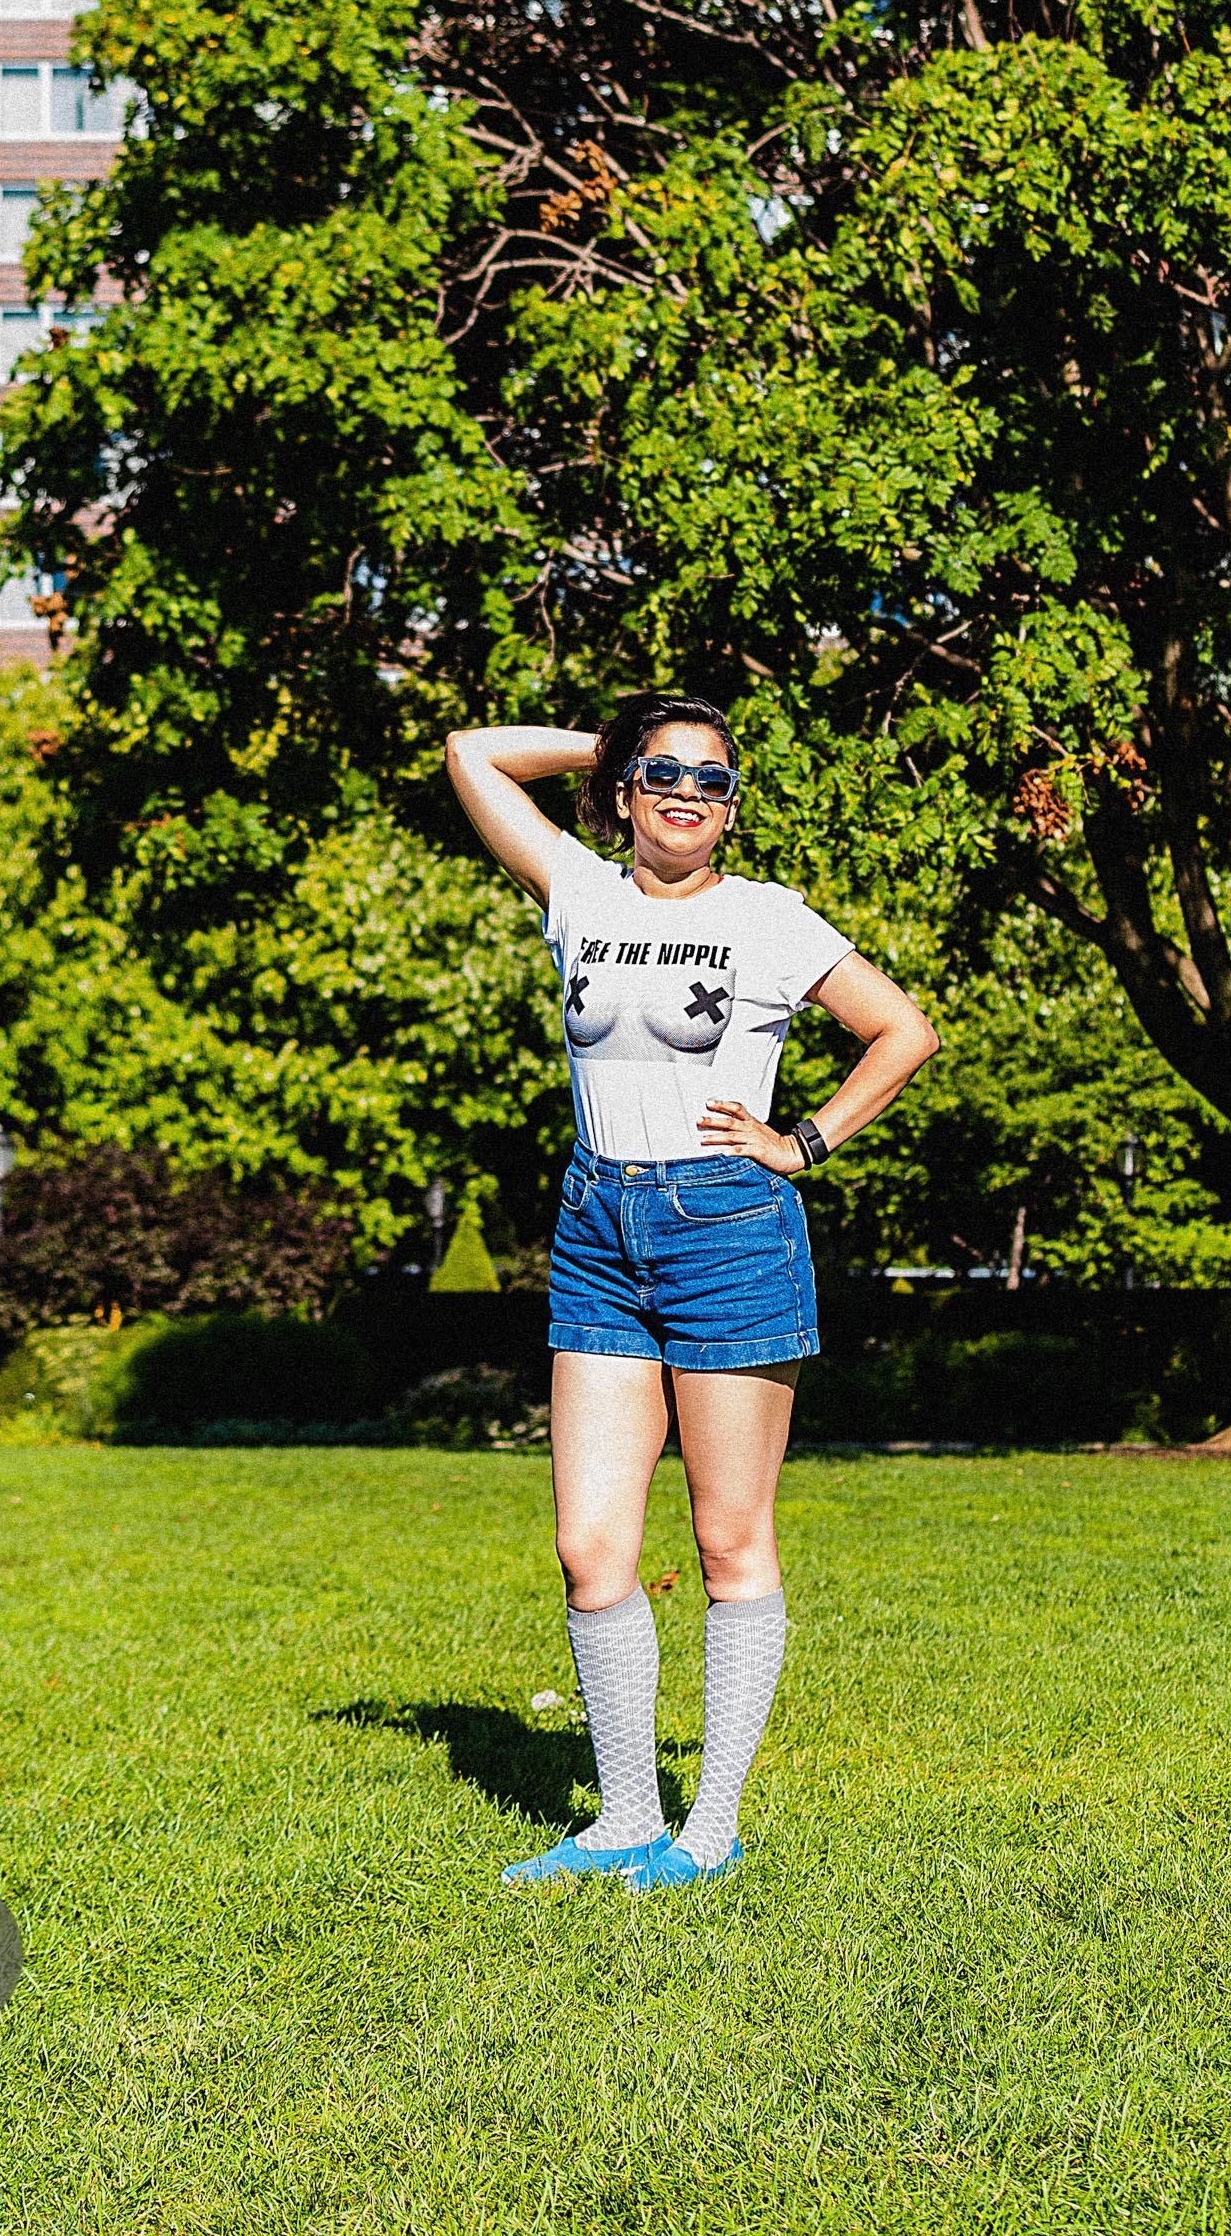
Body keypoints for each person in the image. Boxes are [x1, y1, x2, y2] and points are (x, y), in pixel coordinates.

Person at [447, 692, 938, 1892]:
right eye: (660, 773)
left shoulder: (769, 920)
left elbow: (903, 1032)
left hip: (727, 1229)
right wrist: (618, 741)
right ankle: (621, 1819)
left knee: (728, 1538)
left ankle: (707, 1828)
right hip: (597, 1227)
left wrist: (804, 1142)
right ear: (620, 792)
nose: (684, 794)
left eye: (711, 780)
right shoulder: (579, 890)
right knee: (590, 1546)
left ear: (733, 806)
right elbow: (473, 754)